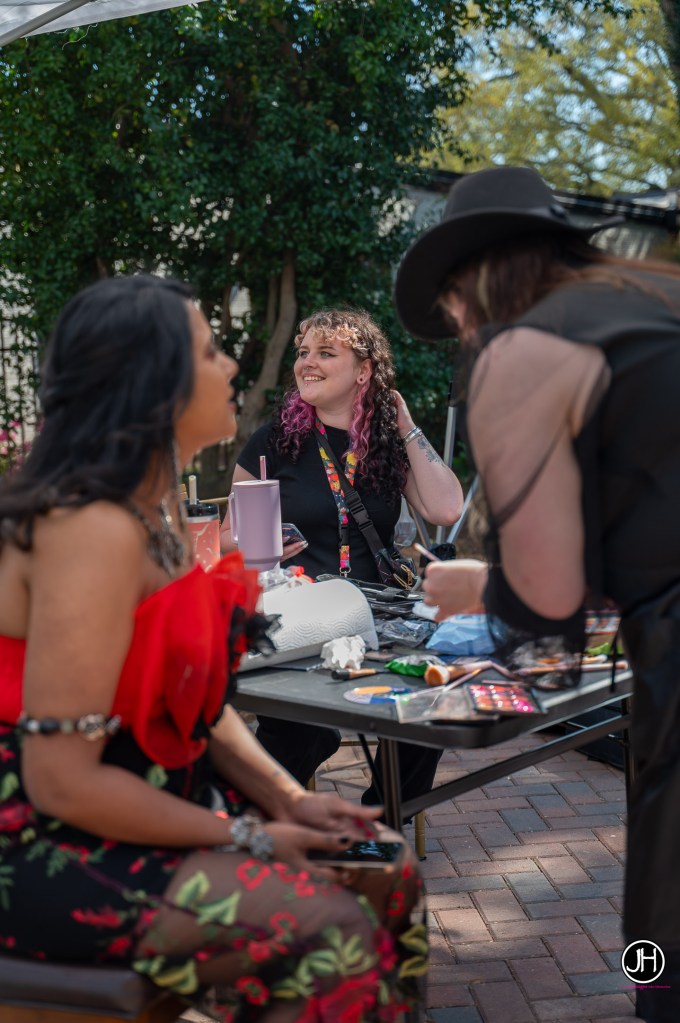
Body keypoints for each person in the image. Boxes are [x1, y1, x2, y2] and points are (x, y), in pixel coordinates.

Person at [0, 276, 427, 1023]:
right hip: (49, 839)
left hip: (151, 804)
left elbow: (194, 703)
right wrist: (251, 833)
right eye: (209, 351)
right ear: (151, 380)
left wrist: (292, 799)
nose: (231, 365)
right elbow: (62, 781)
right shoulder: (89, 527)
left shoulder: (153, 509)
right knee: (332, 935)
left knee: (385, 868)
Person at [393, 164, 680, 1023]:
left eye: (451, 307)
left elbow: (549, 612)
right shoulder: (651, 300)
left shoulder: (521, 349)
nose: (457, 327)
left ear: (470, 287)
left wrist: (478, 586)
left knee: (663, 956)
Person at [224, 308, 463, 808]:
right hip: (302, 615)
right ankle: (258, 819)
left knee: (430, 702)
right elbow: (227, 537)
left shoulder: (387, 444)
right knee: (301, 728)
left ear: (364, 371)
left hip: (380, 615)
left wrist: (406, 425)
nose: (307, 363)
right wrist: (257, 541)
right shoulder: (274, 442)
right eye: (303, 353)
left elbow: (446, 508)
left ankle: (378, 821)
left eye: (325, 353)